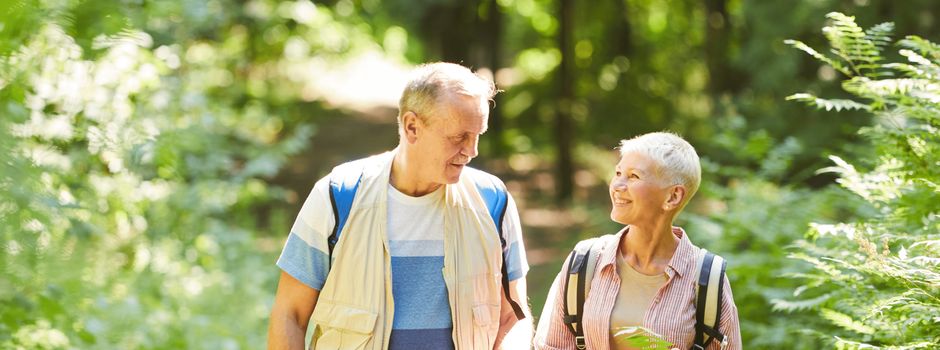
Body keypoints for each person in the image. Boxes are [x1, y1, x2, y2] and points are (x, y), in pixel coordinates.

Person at [267, 62, 532, 350]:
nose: (472, 151)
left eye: (478, 134)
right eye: (459, 137)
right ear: (412, 127)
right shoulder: (337, 196)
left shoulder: (494, 202)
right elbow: (289, 315)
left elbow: (513, 317)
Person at [534, 132, 741, 350]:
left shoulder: (707, 279)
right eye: (618, 173)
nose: (617, 185)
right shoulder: (585, 261)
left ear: (673, 197)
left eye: (633, 176)